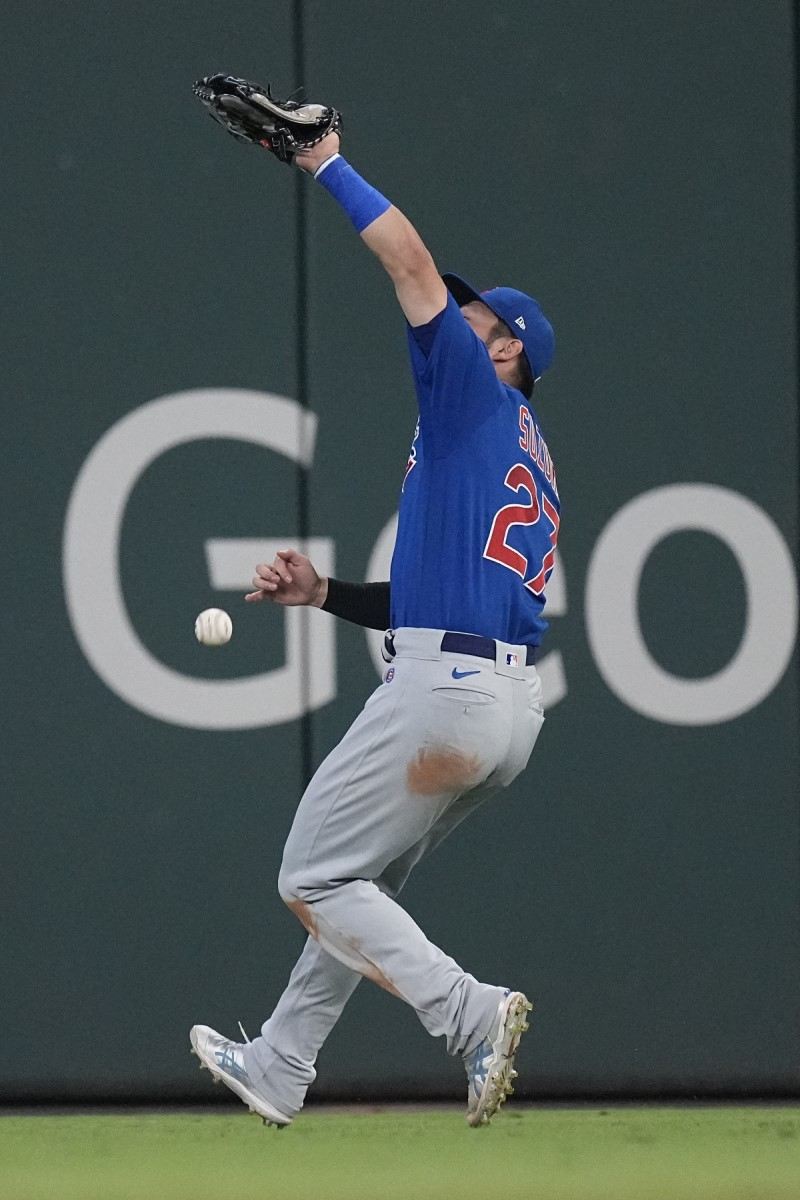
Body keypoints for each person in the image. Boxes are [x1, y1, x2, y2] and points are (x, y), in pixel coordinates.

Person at [190, 125, 559, 1129]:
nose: (458, 314)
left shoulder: (473, 391)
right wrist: (325, 597)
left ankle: (470, 1015)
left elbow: (405, 260)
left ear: (507, 348)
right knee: (359, 885)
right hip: (503, 706)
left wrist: (323, 162)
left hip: (443, 696)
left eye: (478, 315)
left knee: (310, 874)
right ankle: (279, 1063)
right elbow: (439, 598)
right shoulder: (522, 453)